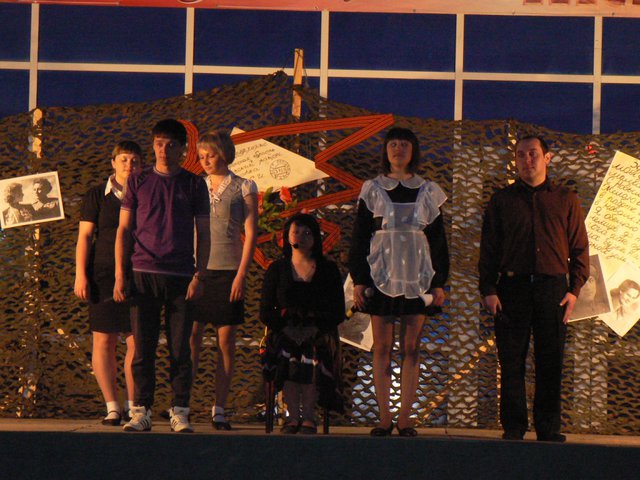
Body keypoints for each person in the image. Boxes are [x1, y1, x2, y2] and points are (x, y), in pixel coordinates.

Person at [479, 135, 589, 442]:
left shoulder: (566, 198)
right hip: (511, 288)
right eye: (521, 155)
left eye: (533, 154)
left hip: (552, 289)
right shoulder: (501, 200)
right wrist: (488, 288)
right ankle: (514, 427)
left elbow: (580, 248)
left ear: (547, 158)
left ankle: (548, 427)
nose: (527, 160)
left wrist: (574, 290)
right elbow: (488, 248)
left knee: (550, 360)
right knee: (511, 360)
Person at [348, 127, 449, 437]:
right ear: (386, 150)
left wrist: (439, 283)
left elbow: (438, 240)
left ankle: (405, 418)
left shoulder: (428, 190)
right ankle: (384, 417)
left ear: (413, 150)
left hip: (417, 274)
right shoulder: (372, 189)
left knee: (411, 347)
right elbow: (360, 236)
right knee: (381, 346)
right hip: (381, 273)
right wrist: (359, 280)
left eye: (404, 144)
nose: (398, 149)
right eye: (393, 144)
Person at [114, 119, 211, 433]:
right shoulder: (138, 180)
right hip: (143, 272)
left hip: (181, 275)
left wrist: (200, 275)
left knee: (180, 349)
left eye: (170, 145)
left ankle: (179, 410)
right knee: (143, 349)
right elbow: (124, 229)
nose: (163, 150)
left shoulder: (194, 184)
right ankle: (141, 411)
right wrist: (120, 274)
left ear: (183, 149)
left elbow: (204, 233)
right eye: (158, 144)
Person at [189, 130, 258, 430]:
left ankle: (219, 407)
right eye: (201, 156)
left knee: (225, 341)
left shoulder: (244, 186)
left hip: (229, 270)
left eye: (211, 155)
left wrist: (241, 275)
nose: (205, 161)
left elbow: (251, 233)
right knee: (190, 337)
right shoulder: (195, 186)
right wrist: (191, 271)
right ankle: (182, 402)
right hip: (198, 271)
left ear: (225, 154)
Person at [74, 141, 142, 426]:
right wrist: (80, 273)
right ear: (113, 162)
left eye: (134, 161)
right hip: (102, 272)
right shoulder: (96, 195)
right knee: (103, 339)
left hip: (137, 271)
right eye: (124, 159)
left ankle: (134, 406)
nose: (129, 165)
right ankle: (112, 406)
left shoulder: (145, 193)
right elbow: (85, 236)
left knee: (136, 340)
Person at [260, 213, 345, 434]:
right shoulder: (277, 269)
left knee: (311, 351)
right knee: (287, 350)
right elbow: (266, 310)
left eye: (307, 233)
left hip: (318, 330)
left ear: (316, 237)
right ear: (287, 236)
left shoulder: (328, 269)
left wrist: (315, 328)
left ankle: (308, 415)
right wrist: (286, 328)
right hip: (285, 329)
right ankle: (292, 416)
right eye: (296, 232)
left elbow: (337, 311)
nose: (301, 237)